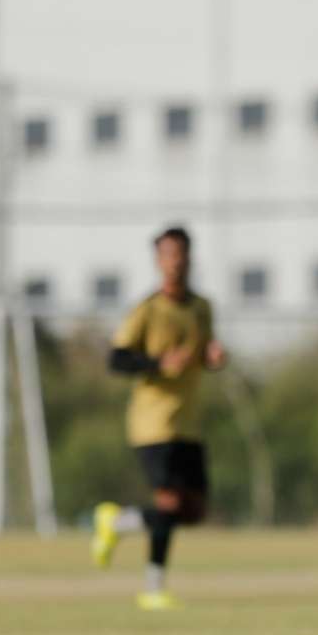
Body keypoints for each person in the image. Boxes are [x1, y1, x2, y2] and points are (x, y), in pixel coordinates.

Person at [93, 226, 226, 611]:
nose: (176, 261)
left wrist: (212, 358)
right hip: (153, 423)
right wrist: (157, 362)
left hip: (189, 423)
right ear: (158, 260)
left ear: (189, 257)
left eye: (181, 253)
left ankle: (115, 523)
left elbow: (204, 353)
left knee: (193, 512)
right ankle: (152, 587)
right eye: (168, 254)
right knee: (168, 505)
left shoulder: (202, 307)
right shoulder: (147, 309)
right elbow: (116, 359)